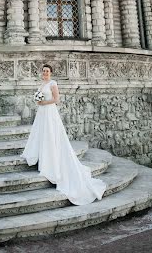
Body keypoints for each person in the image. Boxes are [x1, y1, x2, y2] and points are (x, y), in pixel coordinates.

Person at [21, 64, 106, 205]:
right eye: (43, 71)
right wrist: (38, 101)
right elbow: (40, 99)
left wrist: (43, 102)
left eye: (47, 71)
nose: (45, 73)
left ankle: (51, 161)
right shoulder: (42, 84)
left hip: (49, 112)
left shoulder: (53, 83)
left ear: (51, 72)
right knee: (41, 135)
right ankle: (41, 156)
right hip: (42, 113)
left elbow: (56, 99)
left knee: (51, 136)